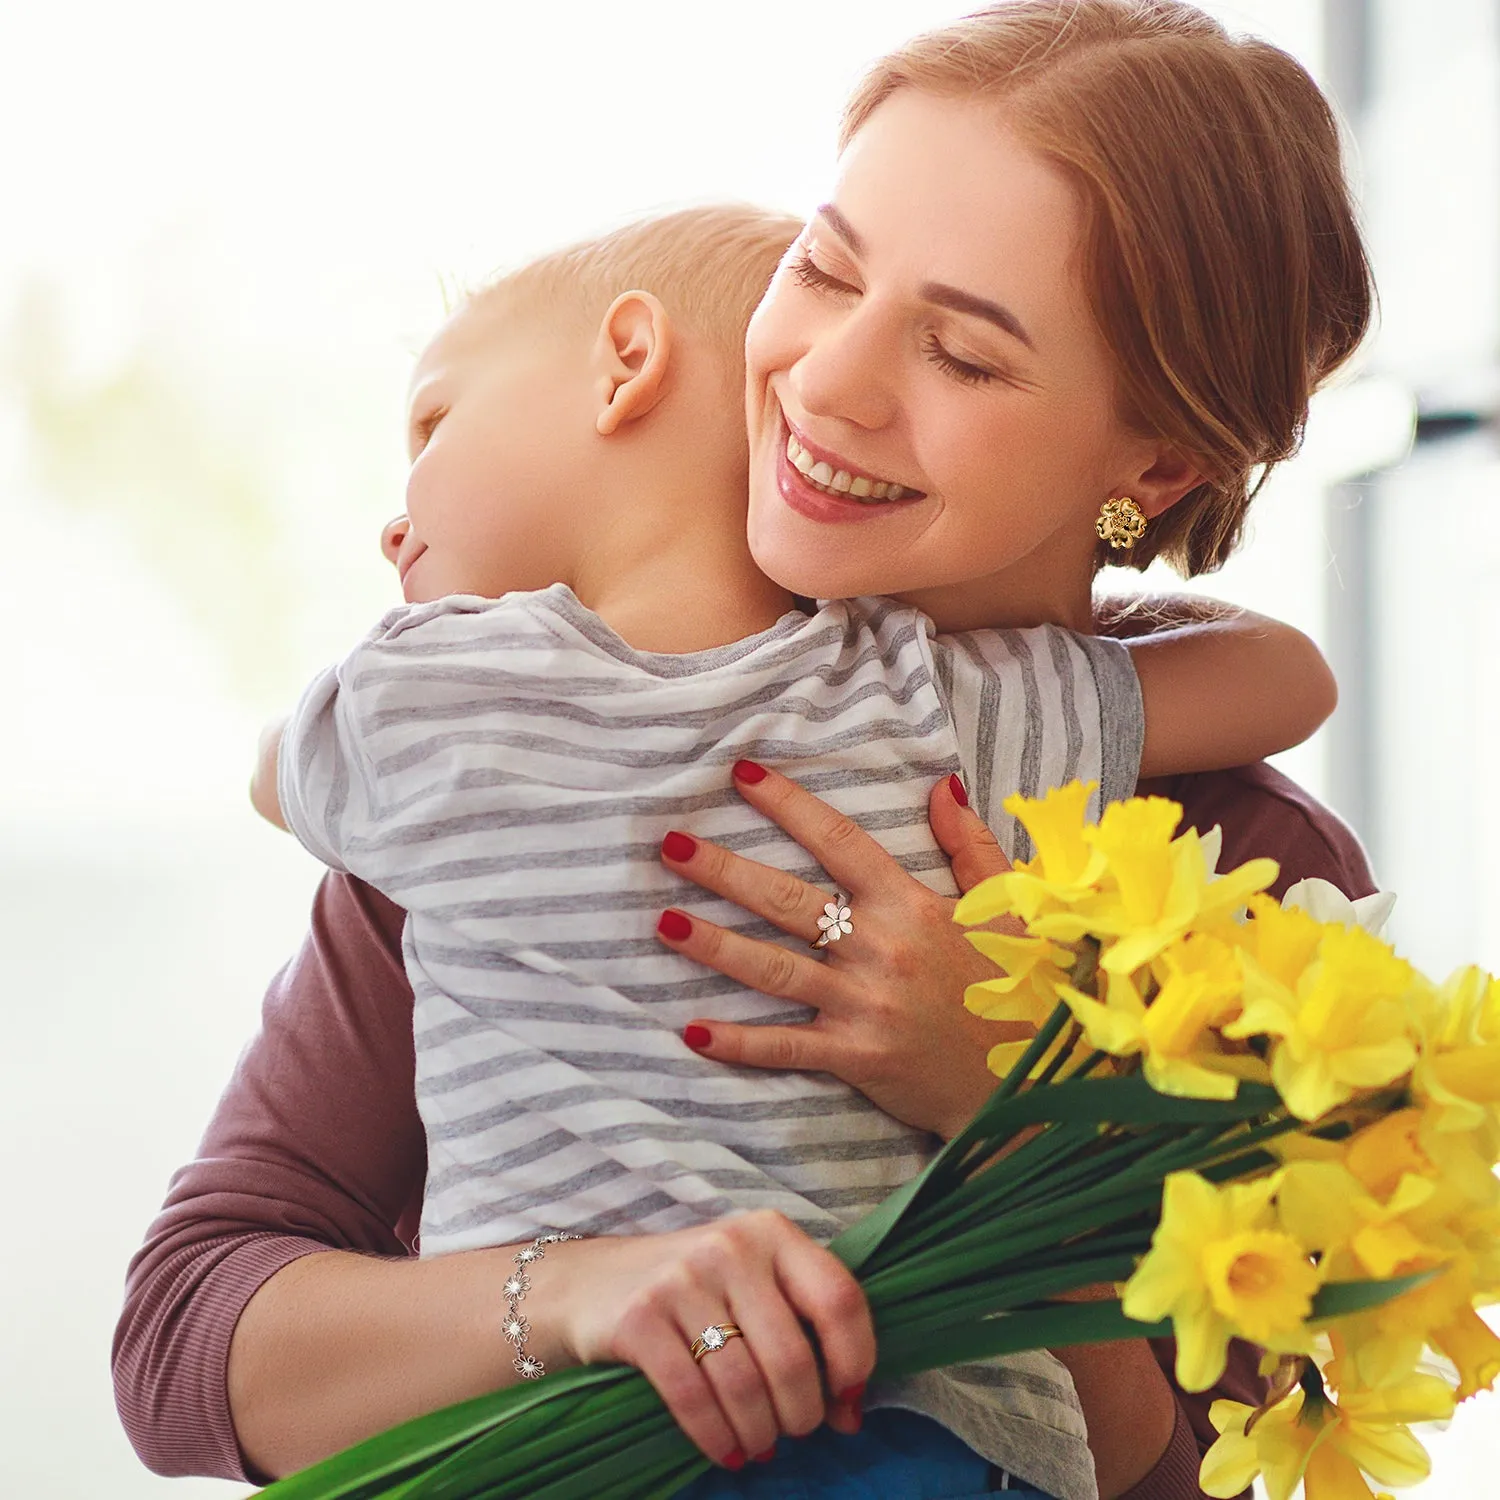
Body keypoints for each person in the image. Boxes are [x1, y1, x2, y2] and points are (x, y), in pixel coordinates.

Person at [114, 3, 1375, 1497]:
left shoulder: (1259, 891)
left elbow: (1208, 1477)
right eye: (826, 267)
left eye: (963, 355)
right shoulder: (557, 743)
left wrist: (1016, 1113)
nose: (825, 381)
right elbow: (185, 1346)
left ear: (1153, 461)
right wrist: (579, 1293)